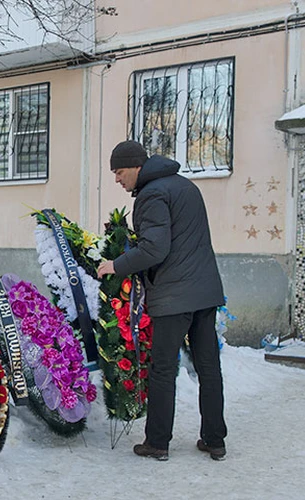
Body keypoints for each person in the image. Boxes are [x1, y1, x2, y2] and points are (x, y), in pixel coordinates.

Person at [97, 140, 228, 461]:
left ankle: (157, 442)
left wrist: (115, 265)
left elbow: (156, 248)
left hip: (175, 296)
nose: (117, 179)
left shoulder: (152, 194)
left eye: (119, 171)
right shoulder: (184, 186)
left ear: (137, 167)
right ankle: (215, 439)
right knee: (209, 367)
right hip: (205, 291)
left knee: (163, 370)